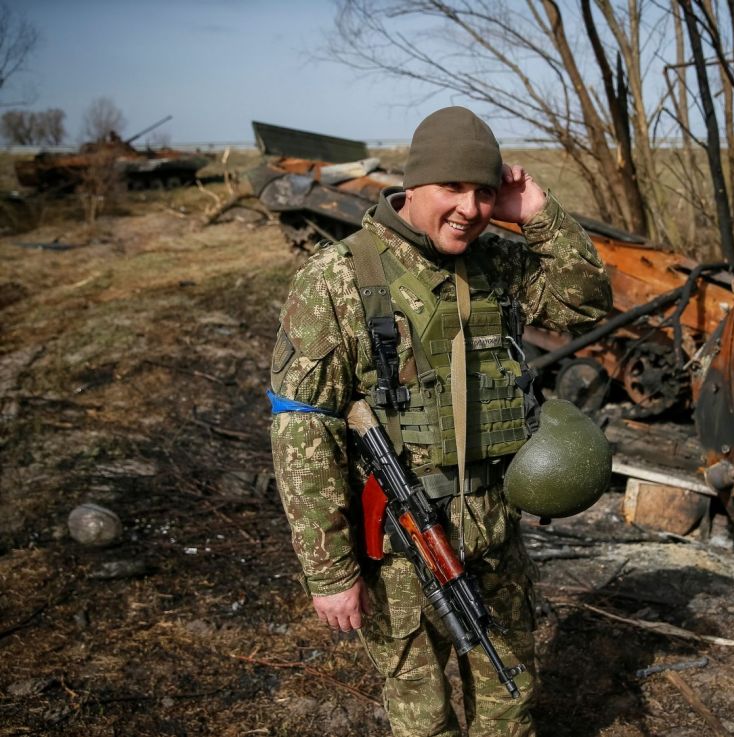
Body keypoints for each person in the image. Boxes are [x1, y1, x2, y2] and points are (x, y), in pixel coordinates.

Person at [269, 106, 611, 737]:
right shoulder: (339, 277)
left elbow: (585, 300)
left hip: (493, 531)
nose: (470, 208)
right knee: (422, 720)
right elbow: (301, 429)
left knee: (509, 706)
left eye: (484, 193)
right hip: (400, 546)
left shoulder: (499, 265)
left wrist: (538, 213)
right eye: (452, 188)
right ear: (413, 184)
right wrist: (331, 571)